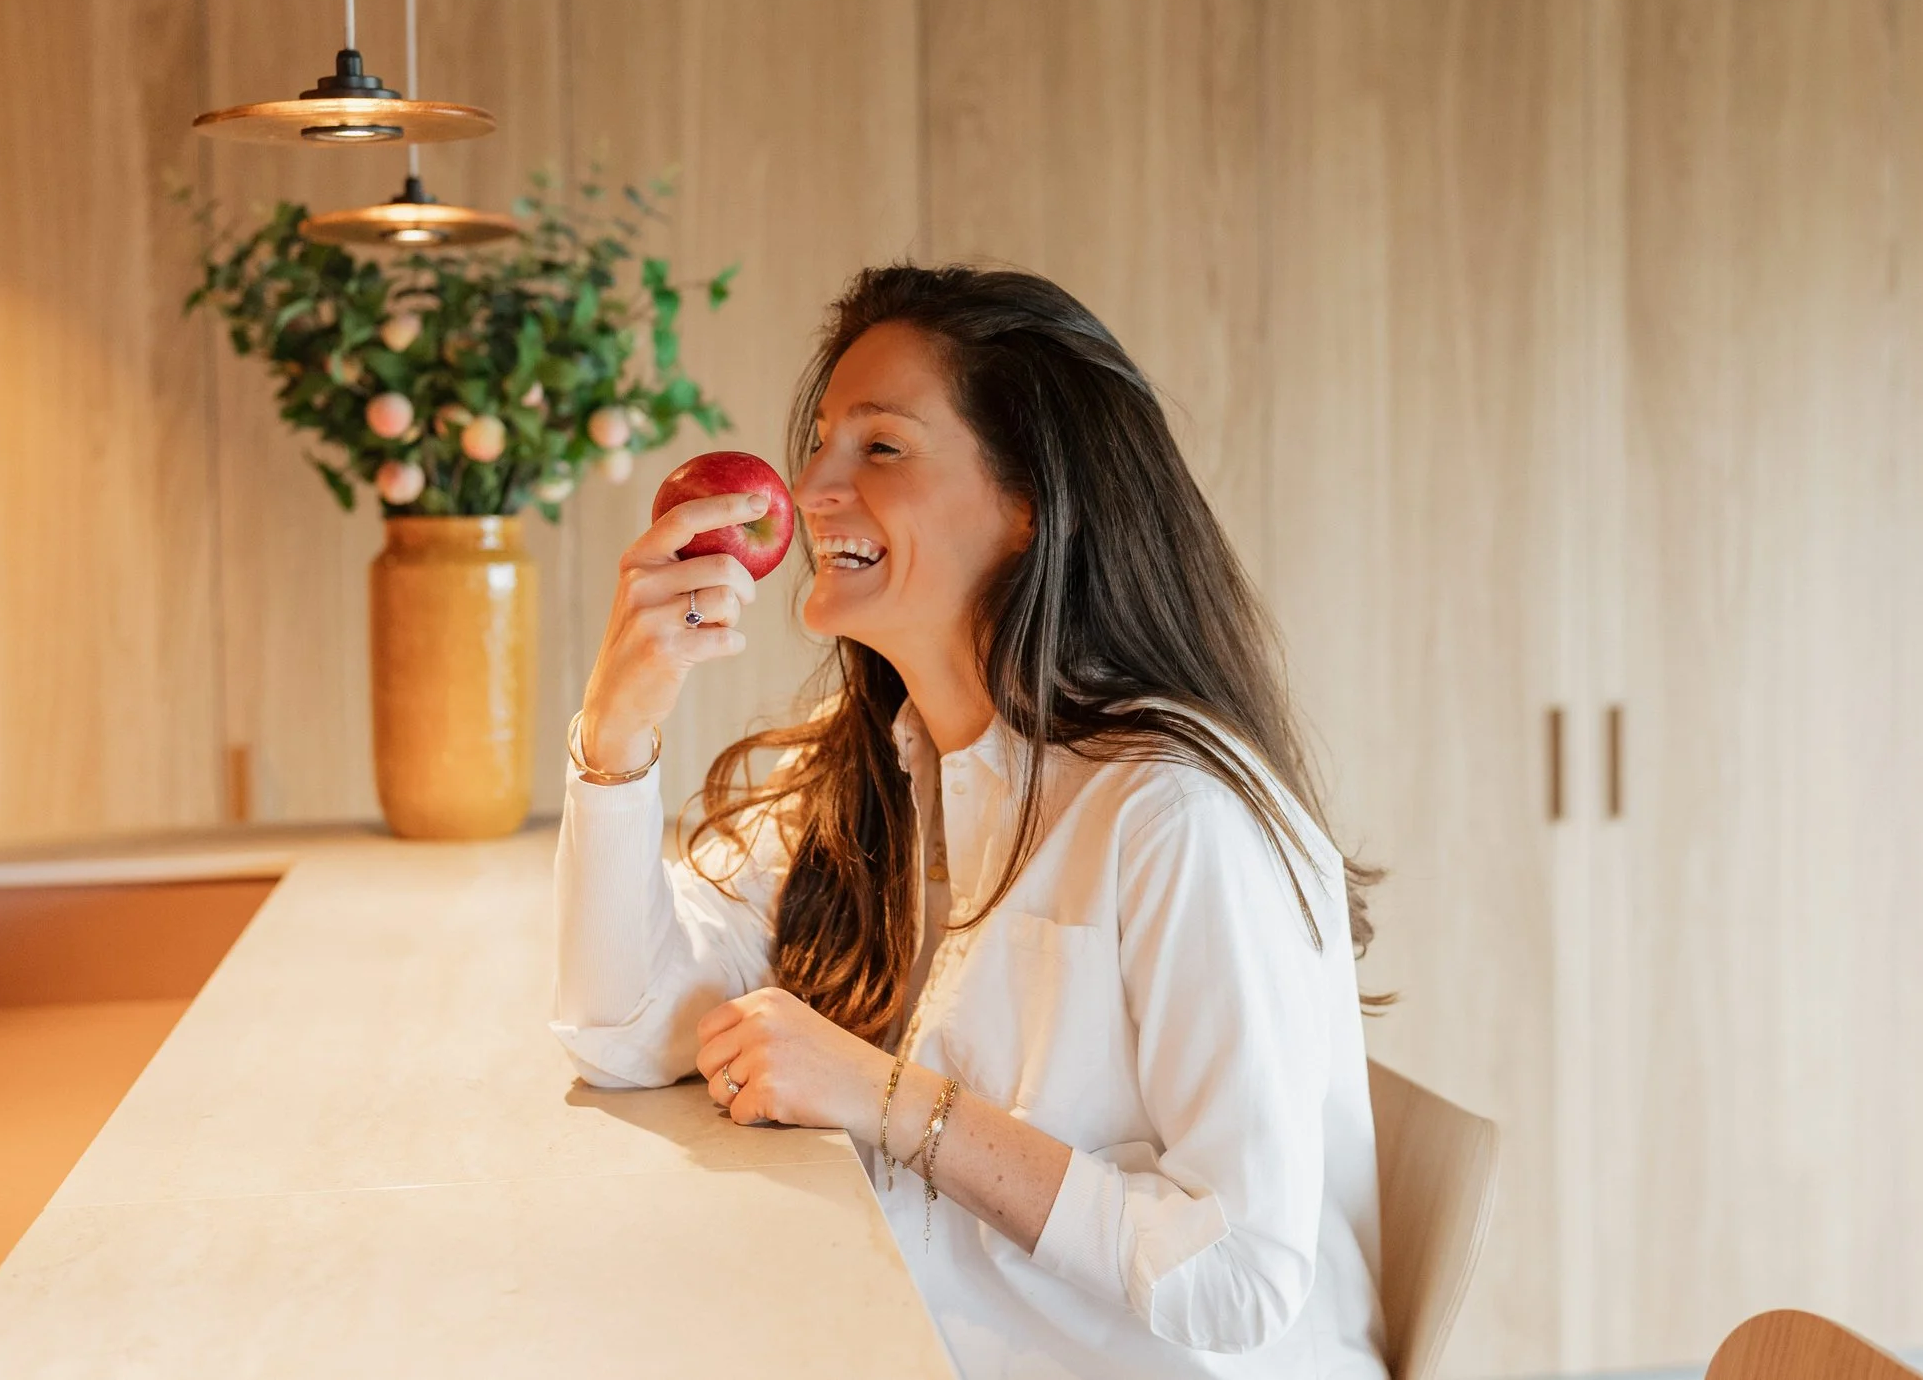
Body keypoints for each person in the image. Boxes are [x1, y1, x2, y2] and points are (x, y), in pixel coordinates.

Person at [550, 264, 1387, 1377]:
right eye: (820, 442)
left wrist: (884, 1094)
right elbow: (624, 1026)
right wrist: (617, 731)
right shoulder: (871, 764)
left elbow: (1236, 1274)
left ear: (1031, 499)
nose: (809, 489)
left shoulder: (1174, 810)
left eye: (880, 447)